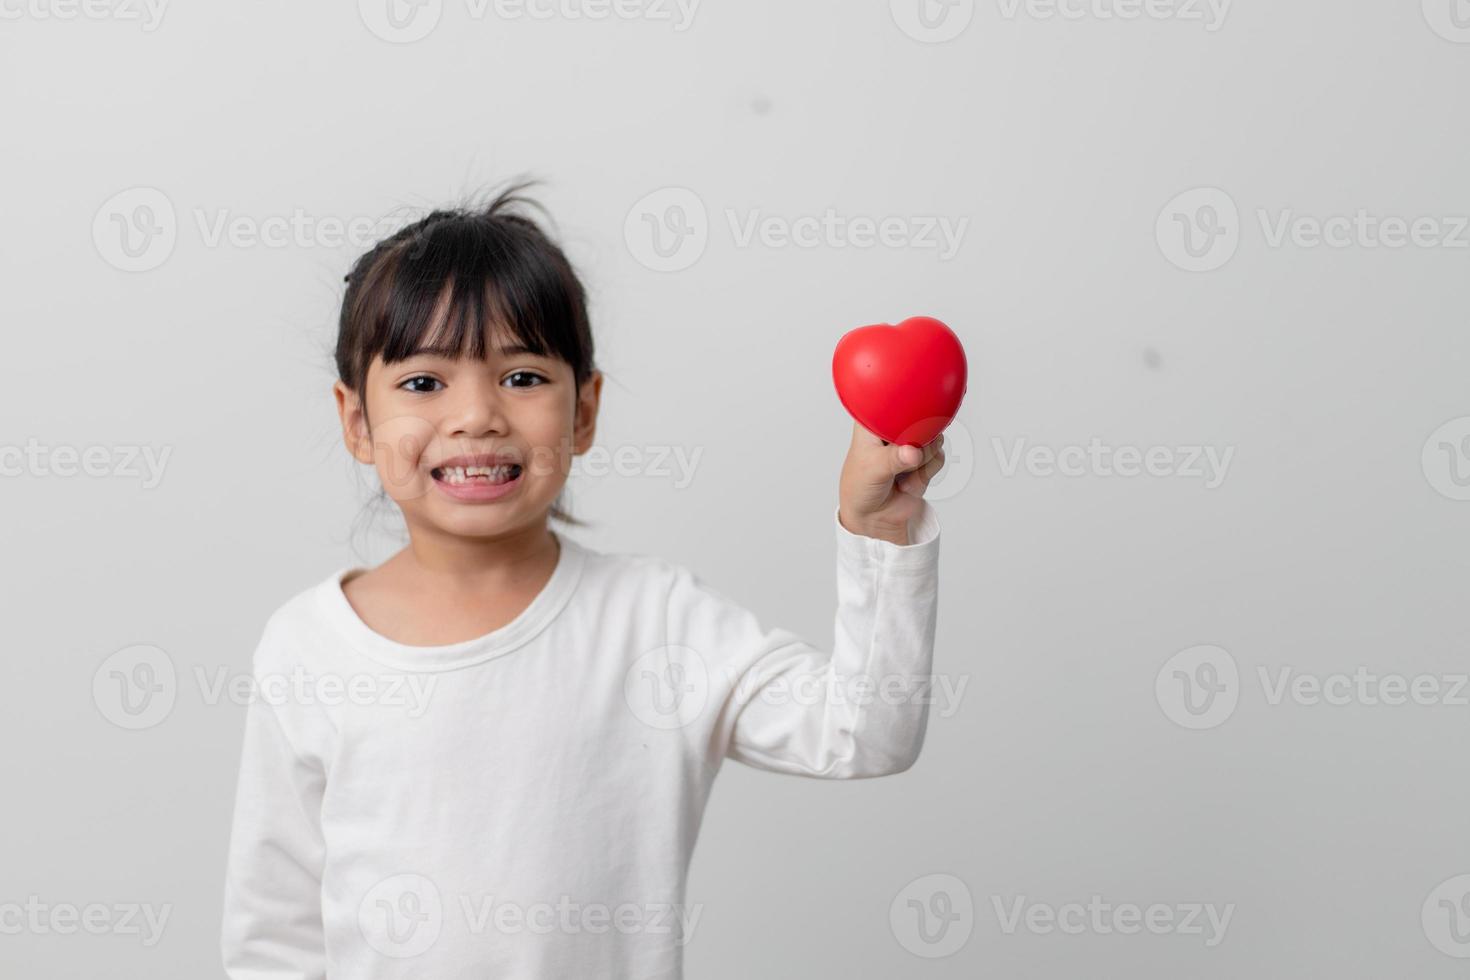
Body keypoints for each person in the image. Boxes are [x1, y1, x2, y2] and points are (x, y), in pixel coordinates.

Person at [219, 178, 947, 979]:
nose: (477, 416)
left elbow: (865, 734)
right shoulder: (308, 647)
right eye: (424, 382)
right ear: (357, 420)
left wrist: (880, 531)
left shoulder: (658, 624)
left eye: (523, 377)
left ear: (586, 410)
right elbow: (274, 936)